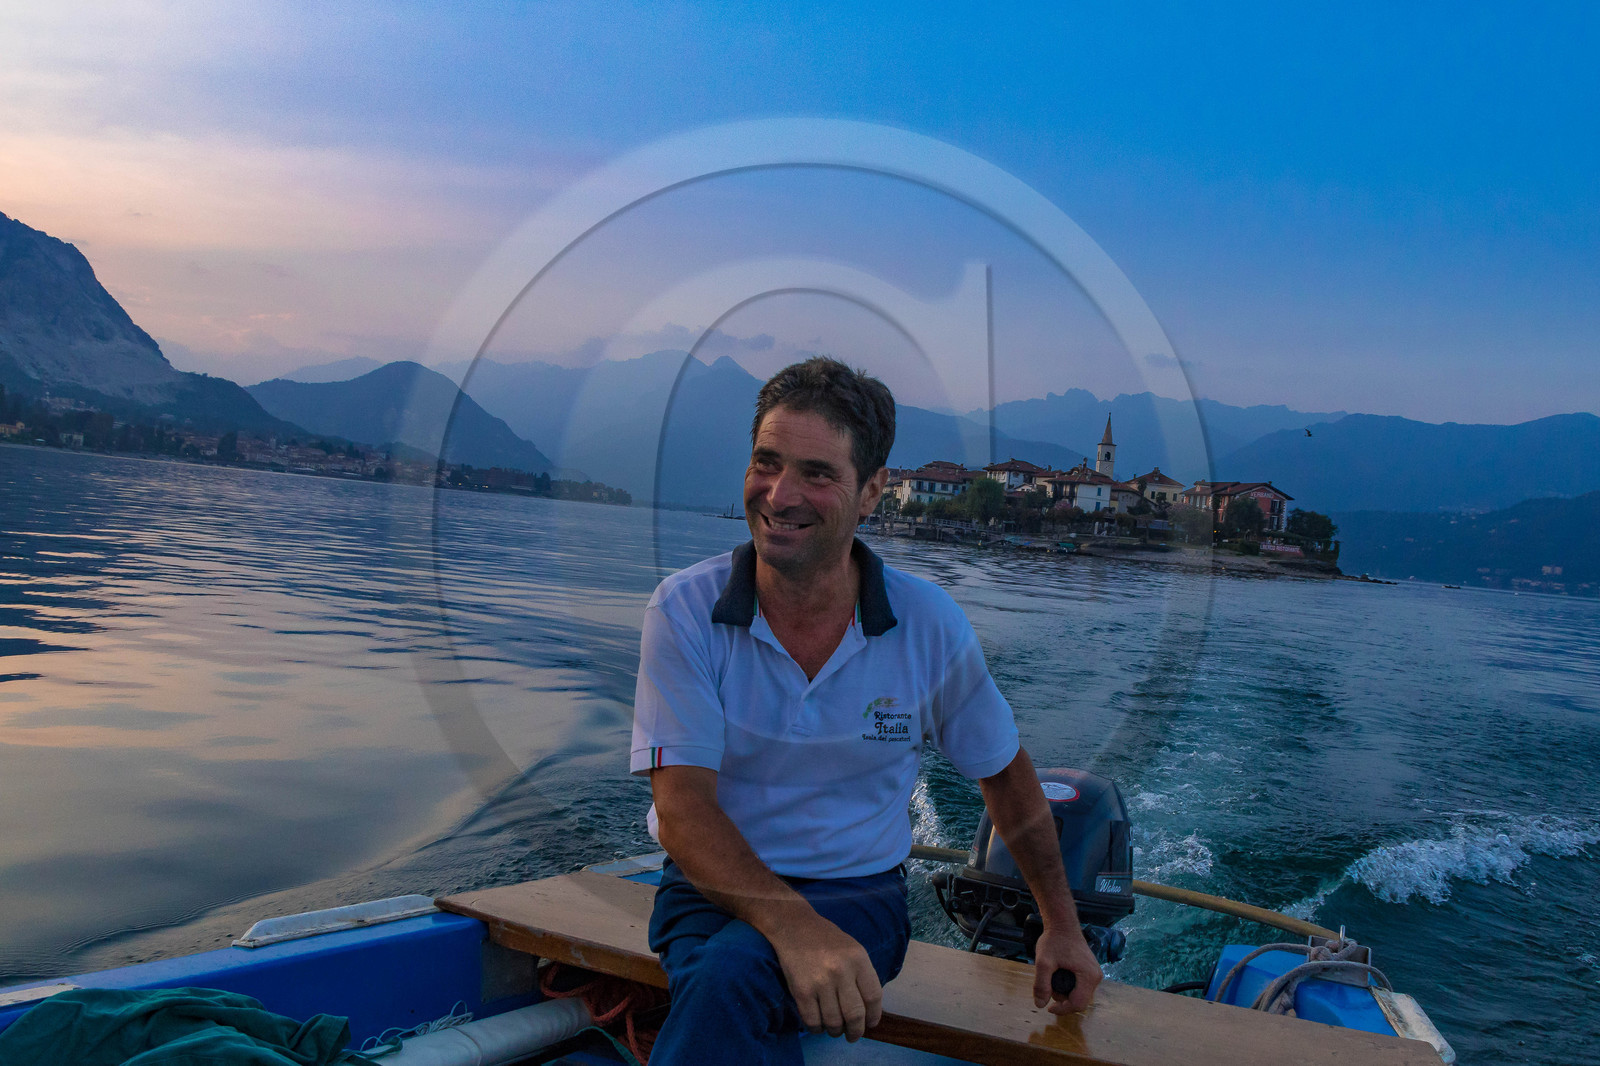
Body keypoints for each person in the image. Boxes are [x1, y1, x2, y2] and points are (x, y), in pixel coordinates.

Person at [630, 357, 1102, 1064]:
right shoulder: (686, 611)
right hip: (708, 887)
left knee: (728, 977)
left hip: (859, 895)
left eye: (817, 474)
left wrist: (1062, 926)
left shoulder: (927, 625)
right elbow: (683, 811)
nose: (780, 494)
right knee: (732, 973)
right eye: (766, 462)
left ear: (872, 491)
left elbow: (1004, 776)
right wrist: (794, 929)